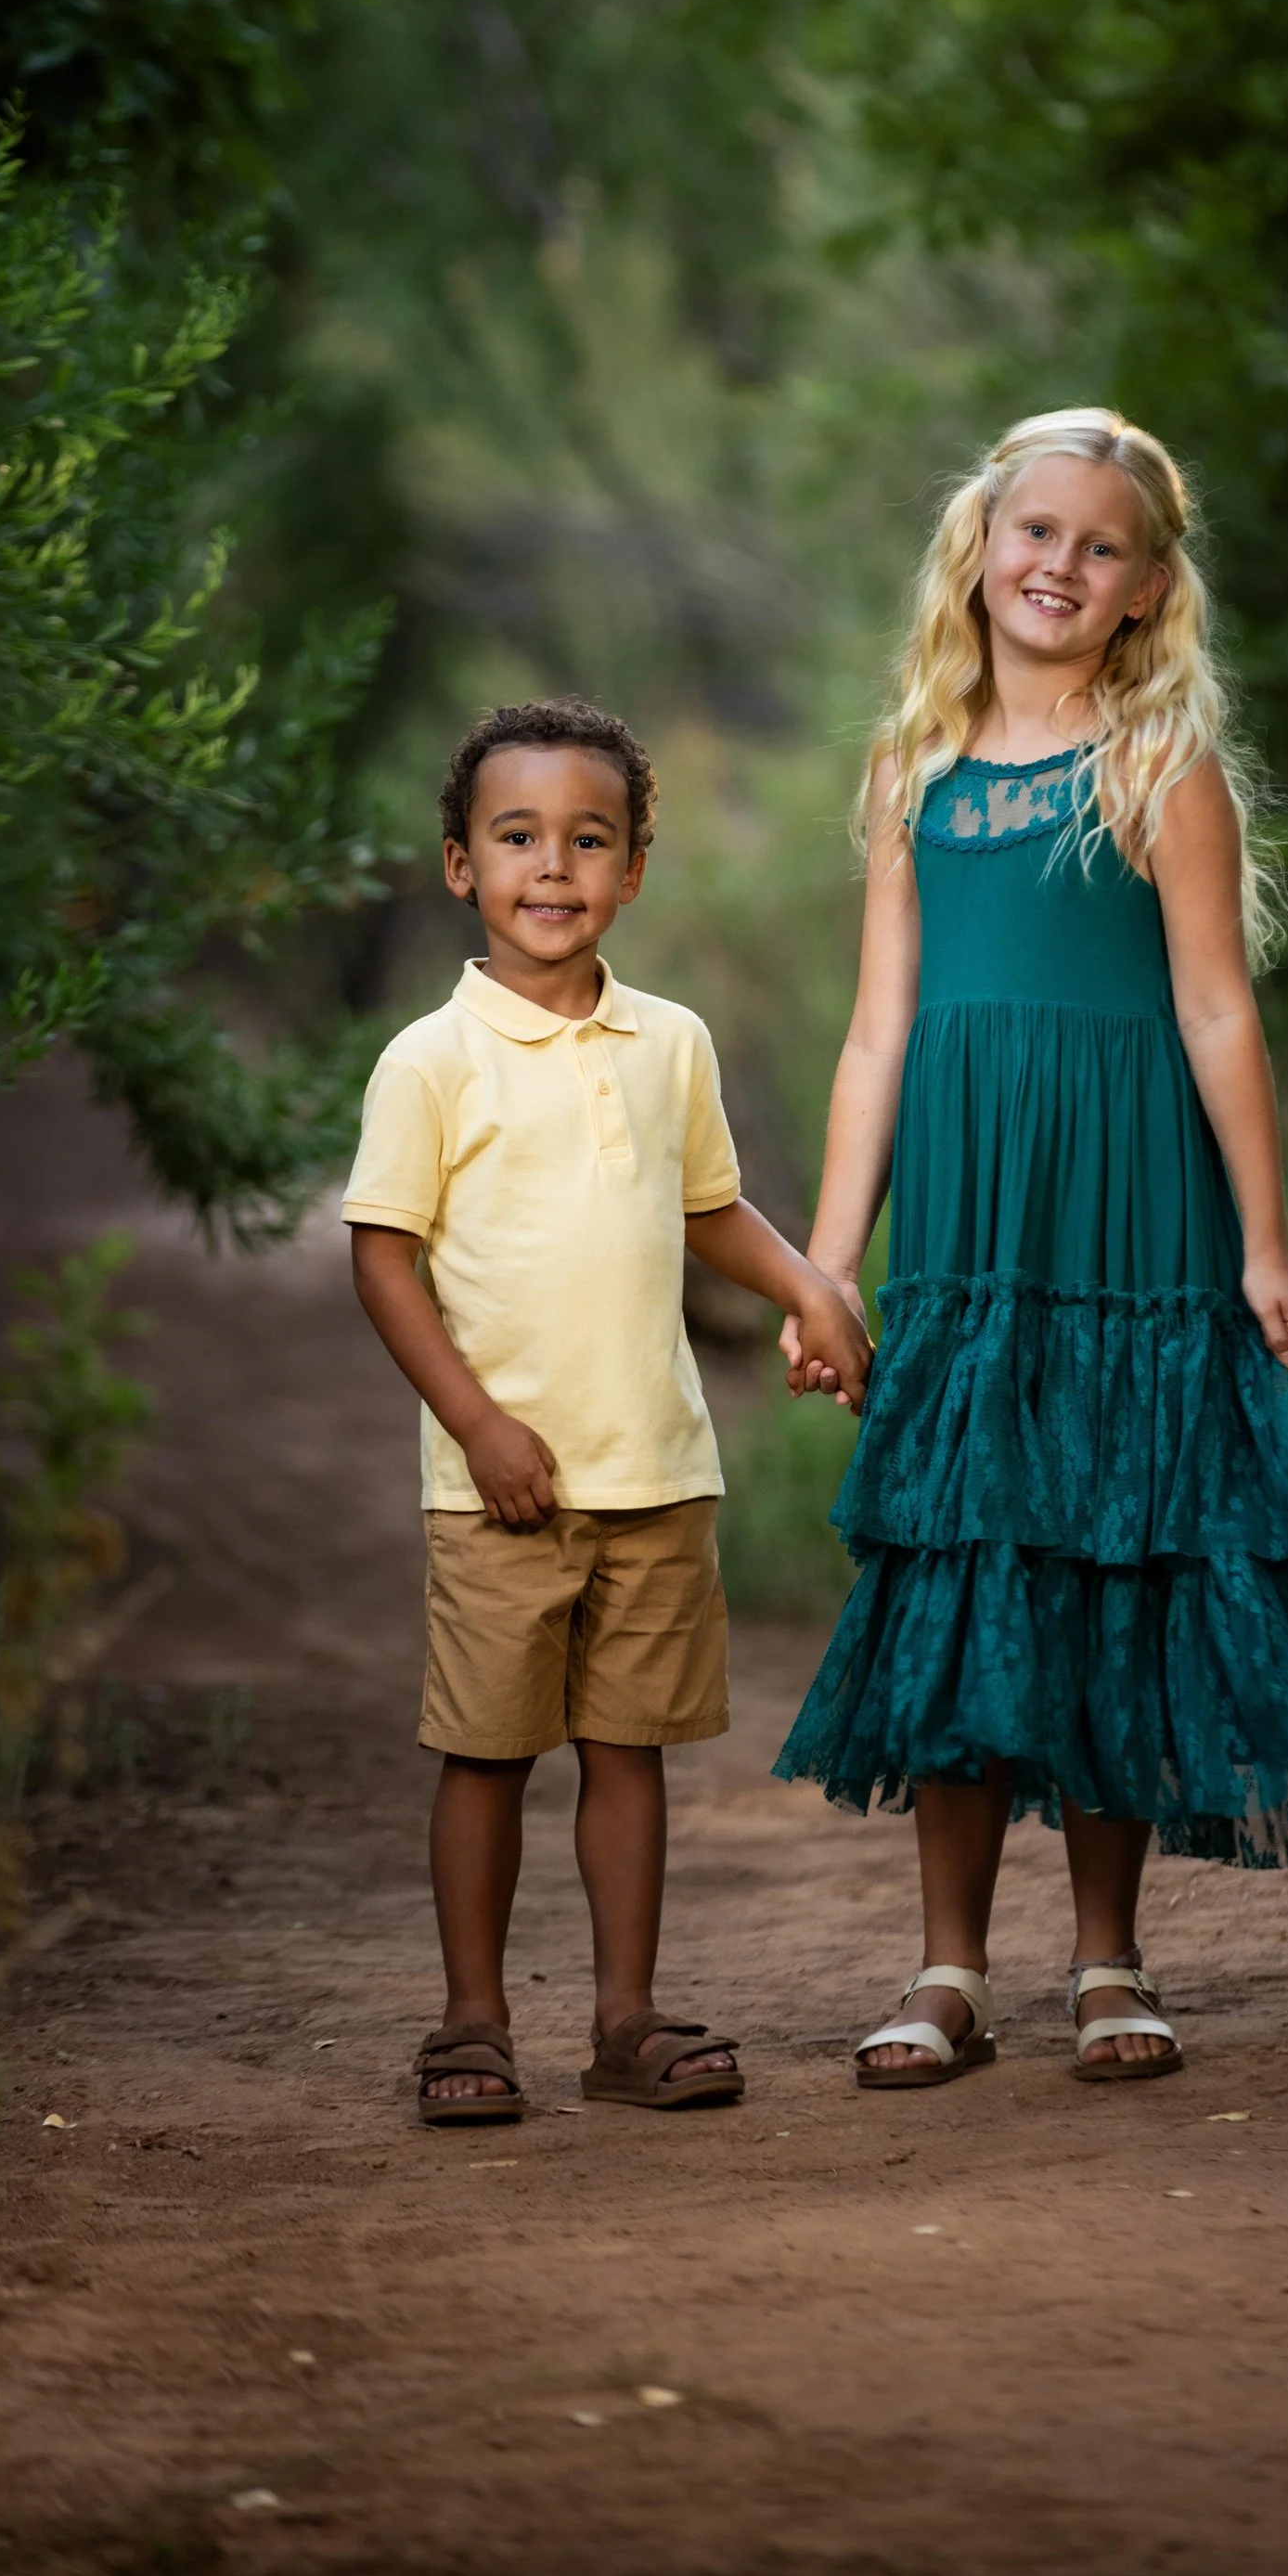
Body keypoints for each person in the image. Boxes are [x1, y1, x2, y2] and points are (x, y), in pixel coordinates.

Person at [774, 410, 1288, 2090]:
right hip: (971, 1229)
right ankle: (945, 1968)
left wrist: (1266, 1240)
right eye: (1035, 534)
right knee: (960, 1562)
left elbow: (1219, 1008)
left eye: (1099, 548)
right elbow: (877, 1038)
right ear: (979, 549)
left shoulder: (1160, 769)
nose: (1059, 568)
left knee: (1110, 1560)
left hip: (1136, 1220)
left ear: (1149, 589)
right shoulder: (914, 773)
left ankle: (1107, 1958)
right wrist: (828, 1262)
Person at [349, 696, 870, 2128]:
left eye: (590, 839)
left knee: (626, 1751)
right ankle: (471, 2018)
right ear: (461, 864)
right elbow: (382, 1260)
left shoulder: (671, 1044)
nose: (554, 868)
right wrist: (477, 1424)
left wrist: (816, 1286)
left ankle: (625, 2018)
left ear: (634, 868)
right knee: (489, 1752)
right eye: (518, 837)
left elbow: (710, 1209)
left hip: (652, 1469)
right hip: (500, 1482)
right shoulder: (429, 1061)